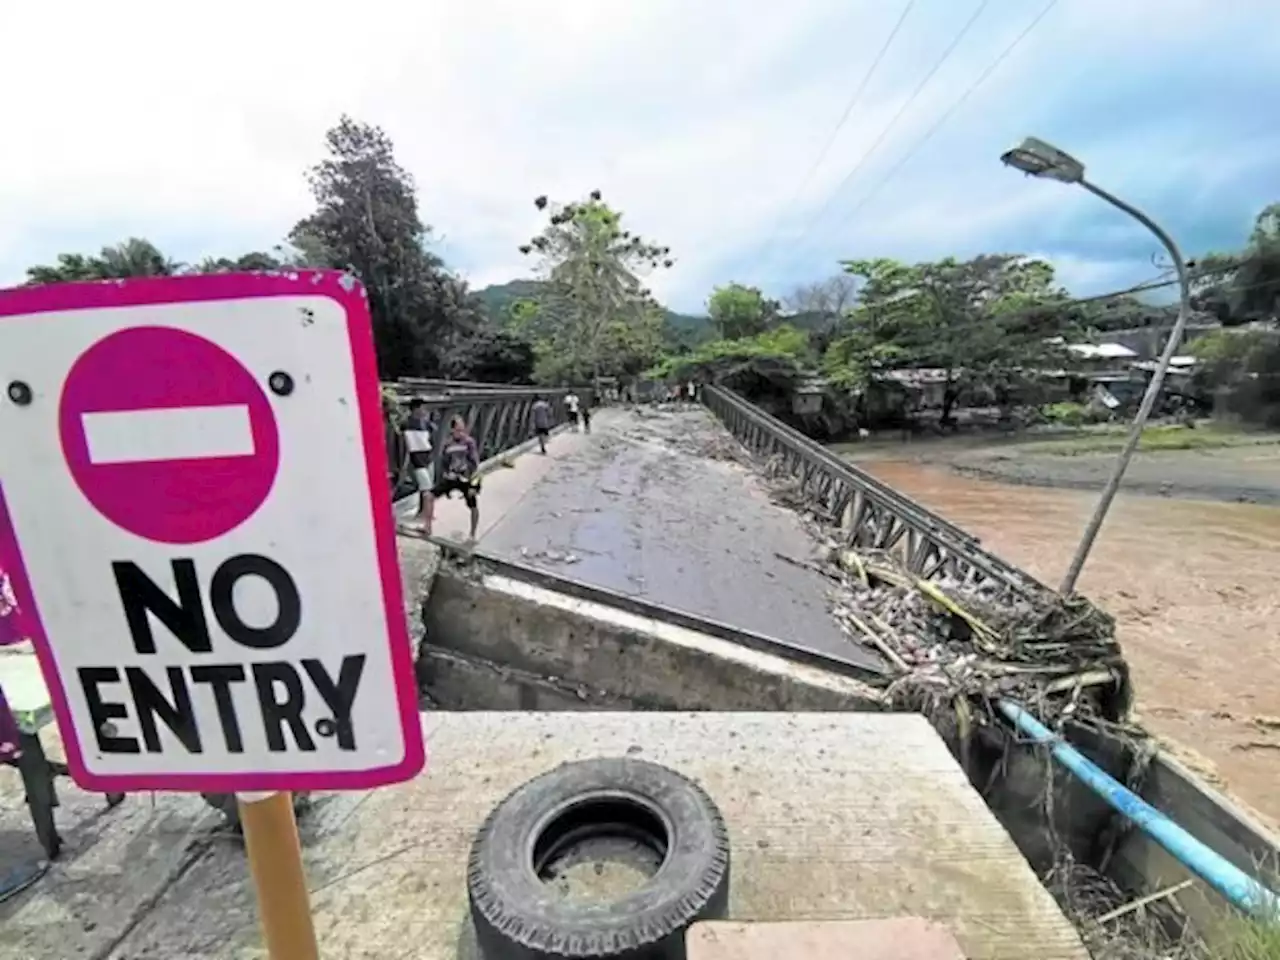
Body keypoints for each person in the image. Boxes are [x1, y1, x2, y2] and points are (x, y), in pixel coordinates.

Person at [423, 416, 481, 541]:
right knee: (428, 496)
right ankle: (427, 527)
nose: (461, 432)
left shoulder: (469, 442)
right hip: (452, 477)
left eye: (462, 429)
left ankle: (472, 534)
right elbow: (444, 463)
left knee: (473, 505)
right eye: (458, 430)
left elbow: (475, 463)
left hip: (466, 478)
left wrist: (473, 484)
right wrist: (445, 474)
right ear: (452, 430)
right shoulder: (448, 444)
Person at [402, 398, 436, 519]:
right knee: (426, 488)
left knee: (428, 487)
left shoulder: (426, 424)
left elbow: (432, 438)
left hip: (428, 457)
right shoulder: (406, 423)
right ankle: (427, 515)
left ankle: (424, 512)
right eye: (422, 408)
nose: (424, 411)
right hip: (417, 460)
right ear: (415, 409)